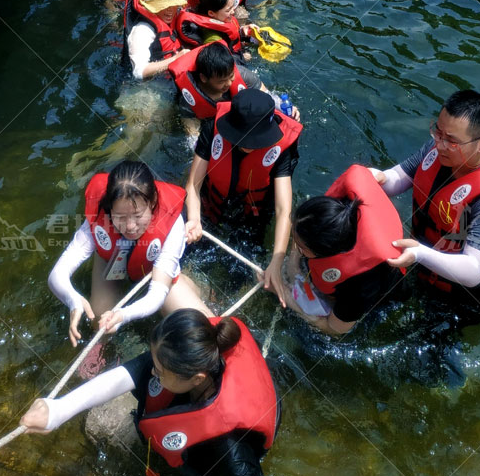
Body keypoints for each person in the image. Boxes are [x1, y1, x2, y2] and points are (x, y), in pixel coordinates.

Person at [21, 309, 280, 476]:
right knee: (95, 425)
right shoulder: (184, 356)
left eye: (159, 370)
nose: (152, 371)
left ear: (197, 378)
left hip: (211, 460)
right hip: (196, 424)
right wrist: (57, 411)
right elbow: (125, 376)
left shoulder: (232, 442)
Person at [371, 90, 480, 310]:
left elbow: (474, 269)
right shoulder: (440, 148)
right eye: (438, 132)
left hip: (467, 297)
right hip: (424, 259)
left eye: (451, 141)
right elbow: (401, 176)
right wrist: (380, 177)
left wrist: (419, 253)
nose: (440, 144)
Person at [47, 161, 210, 351]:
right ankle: (100, 353)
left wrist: (123, 315)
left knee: (200, 328)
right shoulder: (100, 214)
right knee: (100, 320)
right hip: (111, 258)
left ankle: (192, 284)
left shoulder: (172, 223)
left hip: (155, 269)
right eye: (120, 217)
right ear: (110, 208)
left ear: (153, 202)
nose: (130, 226)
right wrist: (73, 300)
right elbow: (56, 275)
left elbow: (156, 295)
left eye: (138, 215)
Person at [185, 88, 303, 303]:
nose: (247, 146)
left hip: (253, 214)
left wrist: (277, 261)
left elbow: (283, 209)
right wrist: (193, 219)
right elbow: (193, 185)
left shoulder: (283, 148)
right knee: (189, 258)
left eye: (254, 140)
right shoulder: (213, 127)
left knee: (237, 276)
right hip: (211, 205)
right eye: (242, 139)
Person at [284, 164, 407, 335]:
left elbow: (334, 329)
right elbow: (301, 231)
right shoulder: (334, 212)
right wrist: (292, 264)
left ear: (324, 252)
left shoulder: (359, 286)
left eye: (301, 248)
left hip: (377, 295)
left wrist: (286, 296)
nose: (296, 247)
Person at [169, 41, 299, 123]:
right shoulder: (189, 96)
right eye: (221, 81)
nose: (229, 84)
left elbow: (267, 96)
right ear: (204, 78)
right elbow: (191, 131)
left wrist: (285, 107)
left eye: (231, 77)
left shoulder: (243, 75)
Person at [123, 0, 189, 80]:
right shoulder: (142, 31)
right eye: (164, 6)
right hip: (148, 83)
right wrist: (176, 58)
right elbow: (139, 72)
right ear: (152, 8)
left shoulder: (171, 16)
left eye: (173, 4)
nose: (170, 10)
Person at [175, 0, 251, 55]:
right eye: (228, 10)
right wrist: (242, 56)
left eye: (232, 7)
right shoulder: (212, 38)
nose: (233, 12)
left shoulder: (219, 18)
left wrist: (242, 31)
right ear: (211, 13)